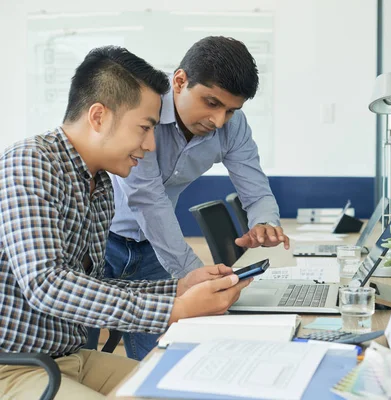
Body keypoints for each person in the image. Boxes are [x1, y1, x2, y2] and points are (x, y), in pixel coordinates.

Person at [0, 46, 251, 400]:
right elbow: (47, 284)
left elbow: (101, 285)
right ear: (99, 117)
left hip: (70, 358)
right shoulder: (30, 164)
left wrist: (179, 288)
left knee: (187, 388)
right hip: (14, 366)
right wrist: (173, 311)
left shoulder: (100, 186)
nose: (150, 145)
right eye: (145, 128)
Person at [85, 36, 290, 361]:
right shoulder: (143, 108)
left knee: (162, 358)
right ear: (179, 81)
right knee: (79, 353)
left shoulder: (231, 126)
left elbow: (253, 181)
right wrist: (194, 276)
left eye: (231, 110)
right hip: (97, 242)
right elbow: (147, 198)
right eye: (211, 103)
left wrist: (264, 220)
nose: (219, 121)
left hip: (154, 249)